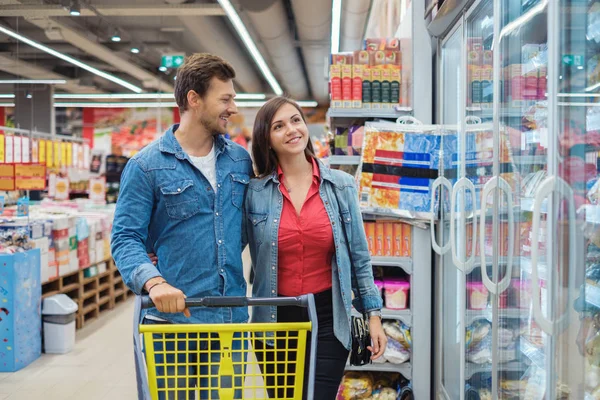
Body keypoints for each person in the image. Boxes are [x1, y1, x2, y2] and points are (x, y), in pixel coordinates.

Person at [111, 53, 252, 399]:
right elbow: (125, 238)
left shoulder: (240, 160)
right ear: (194, 99)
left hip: (229, 323)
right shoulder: (146, 166)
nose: (232, 108)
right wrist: (154, 281)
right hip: (171, 324)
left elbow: (247, 227)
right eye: (226, 98)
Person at [244, 96, 387, 399]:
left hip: (328, 316)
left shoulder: (340, 186)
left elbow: (360, 258)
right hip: (274, 317)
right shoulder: (255, 193)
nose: (291, 130)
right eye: (278, 126)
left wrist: (373, 314)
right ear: (266, 140)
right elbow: (228, 246)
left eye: (296, 120)